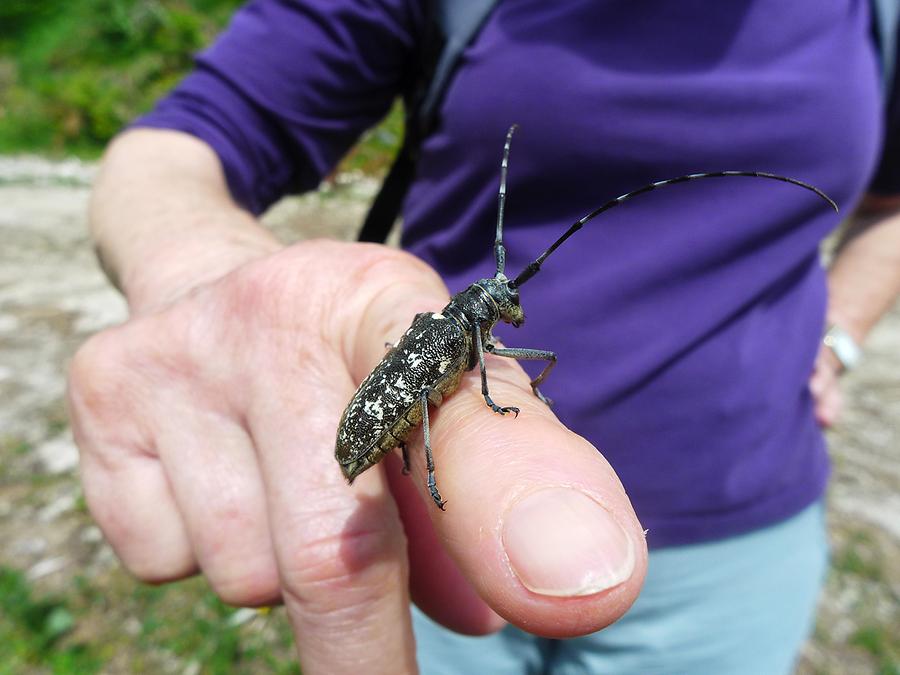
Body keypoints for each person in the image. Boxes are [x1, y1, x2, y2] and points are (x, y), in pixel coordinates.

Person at [67, 1, 900, 673]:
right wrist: (199, 277)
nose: (509, 317)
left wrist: (840, 333)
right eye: (502, 306)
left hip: (738, 538)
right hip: (446, 543)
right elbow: (189, 134)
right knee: (444, 399)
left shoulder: (876, 16)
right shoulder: (452, 341)